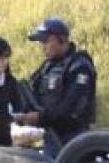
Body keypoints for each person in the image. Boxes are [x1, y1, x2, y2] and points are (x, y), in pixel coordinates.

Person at [19, 18, 97, 153]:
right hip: (50, 136)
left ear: (61, 39)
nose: (43, 46)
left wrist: (40, 118)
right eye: (41, 42)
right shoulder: (47, 67)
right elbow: (33, 96)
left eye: (46, 41)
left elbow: (71, 106)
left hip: (74, 137)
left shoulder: (79, 66)